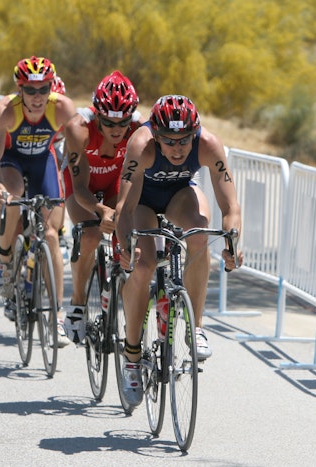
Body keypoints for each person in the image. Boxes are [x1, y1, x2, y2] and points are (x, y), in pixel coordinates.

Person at [115, 94, 243, 406]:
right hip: (142, 203)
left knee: (199, 233)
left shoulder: (208, 144)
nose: (177, 148)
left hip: (179, 195)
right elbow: (124, 207)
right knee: (143, 266)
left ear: (195, 133)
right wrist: (126, 246)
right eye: (169, 141)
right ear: (156, 135)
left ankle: (195, 327)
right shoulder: (141, 144)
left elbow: (231, 206)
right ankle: (132, 356)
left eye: (185, 140)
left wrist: (233, 245)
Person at [0, 55, 75, 346]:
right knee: (13, 197)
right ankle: (5, 258)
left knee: (51, 235)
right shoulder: (4, 111)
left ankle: (57, 316)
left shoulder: (62, 108)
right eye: (30, 90)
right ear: (19, 89)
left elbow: (76, 154)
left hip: (43, 161)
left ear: (51, 87)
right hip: (12, 161)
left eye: (43, 89)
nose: (37, 97)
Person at [61, 70, 142, 344]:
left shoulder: (139, 129)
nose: (117, 129)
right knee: (90, 235)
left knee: (127, 241)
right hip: (83, 185)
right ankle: (77, 303)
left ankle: (130, 318)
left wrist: (119, 212)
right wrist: (101, 210)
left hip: (115, 182)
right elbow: (80, 187)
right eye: (108, 122)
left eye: (123, 122)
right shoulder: (78, 128)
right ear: (97, 115)